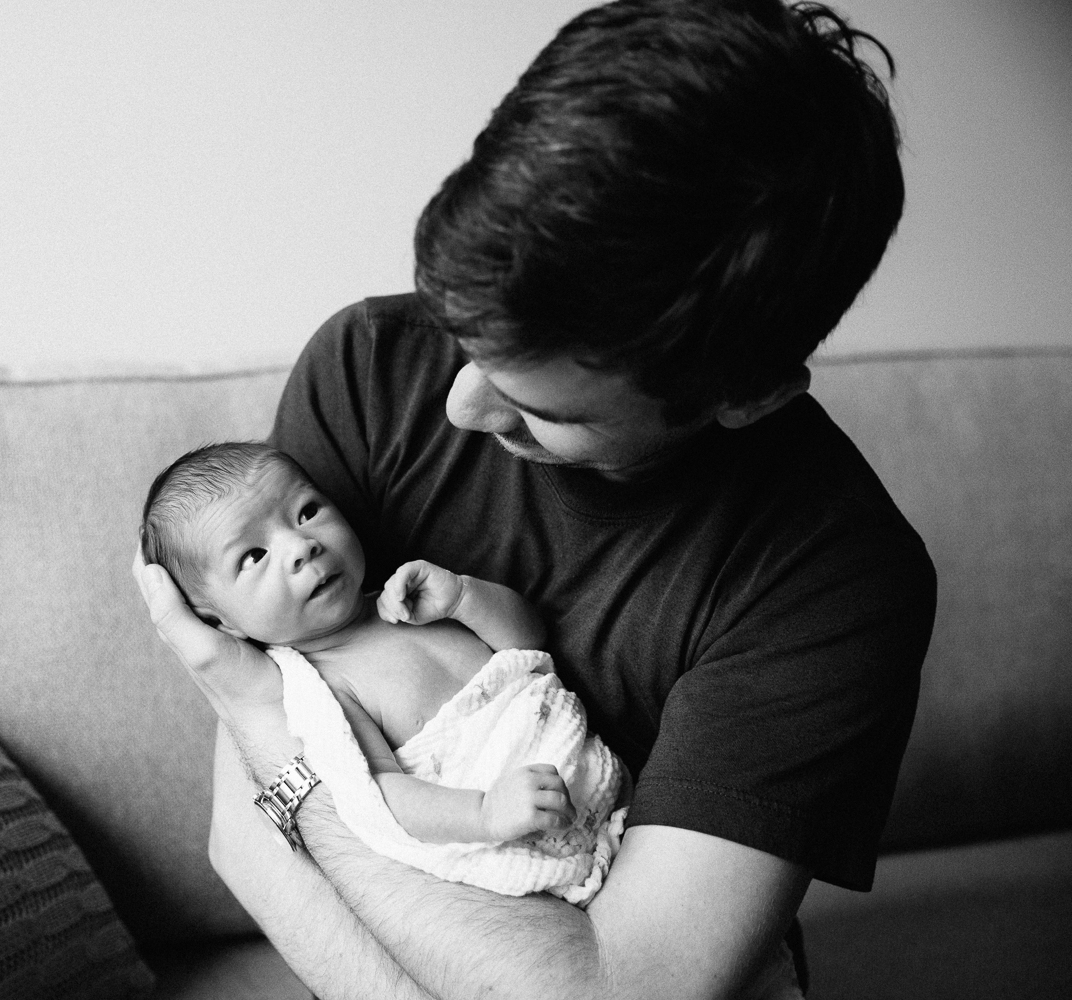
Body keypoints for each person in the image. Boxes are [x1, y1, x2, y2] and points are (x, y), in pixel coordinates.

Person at [133, 1, 937, 997]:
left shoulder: (830, 581)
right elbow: (243, 839)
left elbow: (616, 987)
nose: (463, 406)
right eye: (459, 333)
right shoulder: (369, 367)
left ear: (745, 397)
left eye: (537, 407)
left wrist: (267, 731)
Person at [140, 441, 626, 899]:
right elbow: (382, 796)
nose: (301, 545)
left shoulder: (406, 600)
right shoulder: (323, 691)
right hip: (514, 828)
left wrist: (462, 597)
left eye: (307, 512)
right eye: (254, 555)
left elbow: (527, 643)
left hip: (600, 785)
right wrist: (485, 813)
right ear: (220, 623)